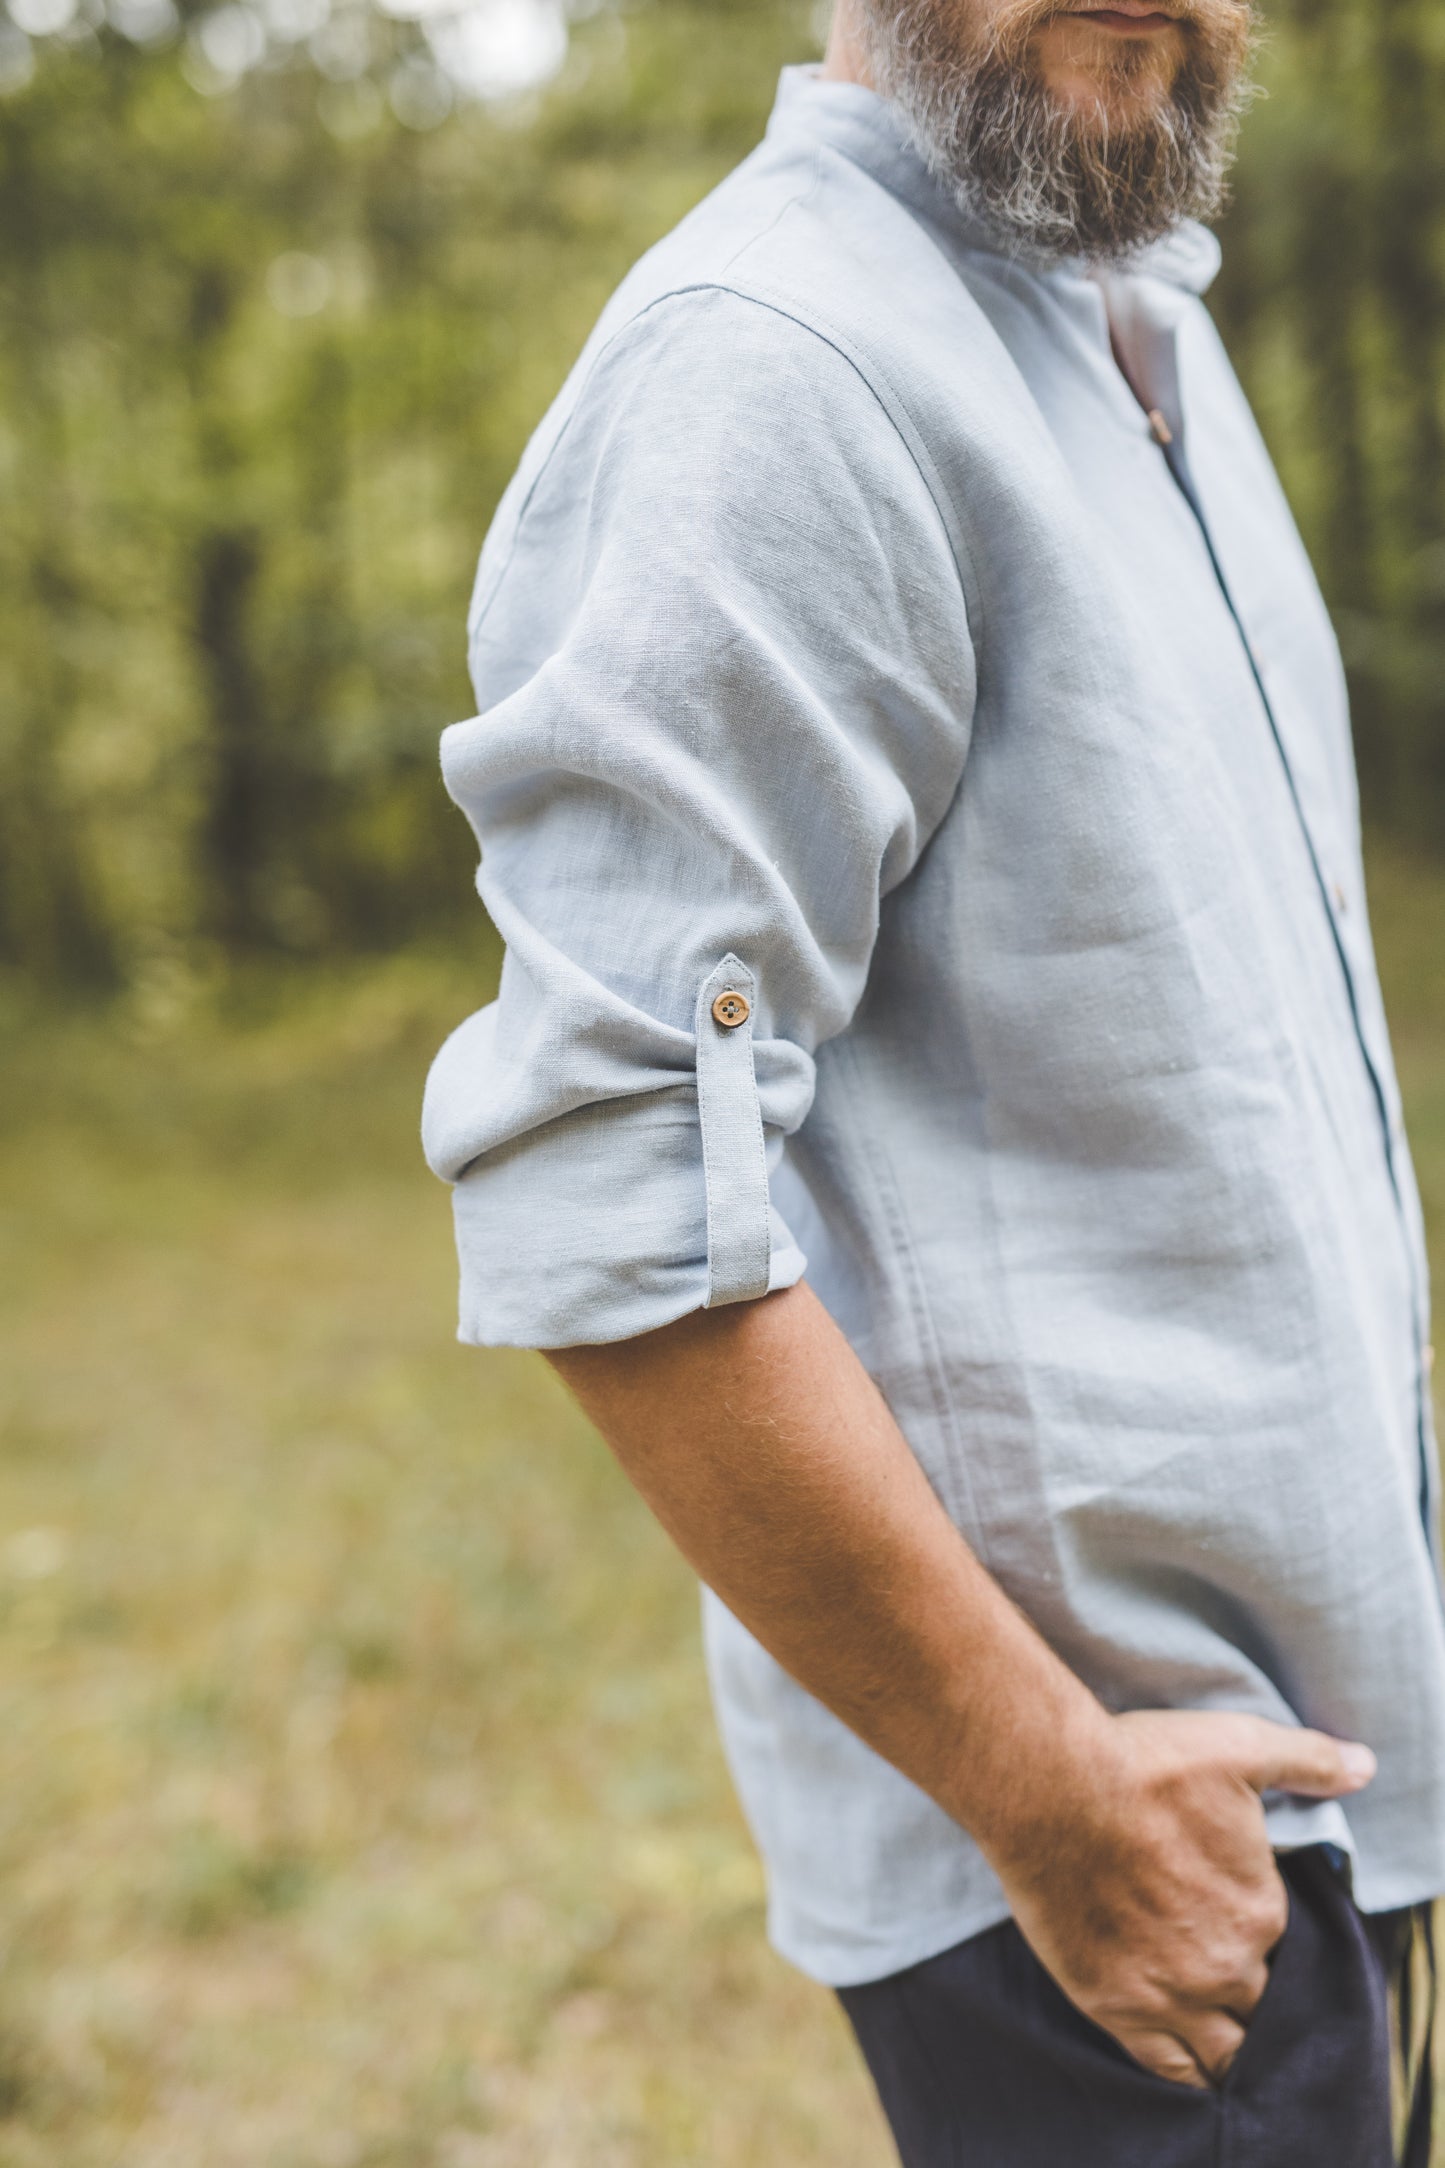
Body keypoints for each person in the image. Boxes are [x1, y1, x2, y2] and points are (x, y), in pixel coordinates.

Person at [421, 1, 1445, 2159]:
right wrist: (1046, 1790)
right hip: (1114, 1872)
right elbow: (605, 1177)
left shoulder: (1133, 313)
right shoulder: (778, 367)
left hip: (1324, 1817)